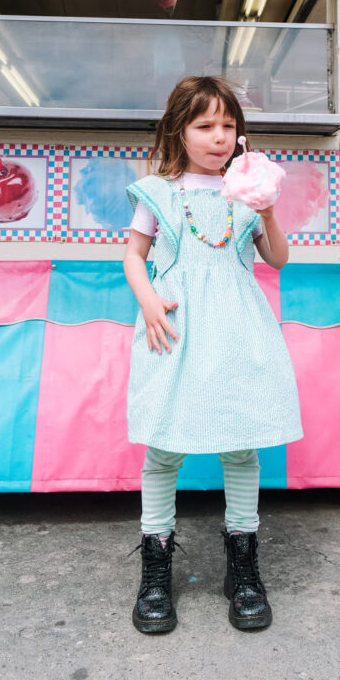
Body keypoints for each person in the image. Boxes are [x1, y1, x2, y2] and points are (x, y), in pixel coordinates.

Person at [123, 75, 302, 634]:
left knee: (241, 448)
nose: (219, 137)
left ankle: (243, 567)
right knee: (163, 448)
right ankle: (156, 570)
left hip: (239, 333)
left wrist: (267, 209)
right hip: (174, 331)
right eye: (205, 126)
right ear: (180, 130)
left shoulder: (247, 190)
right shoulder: (158, 190)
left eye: (228, 125)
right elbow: (133, 255)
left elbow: (278, 259)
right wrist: (149, 299)